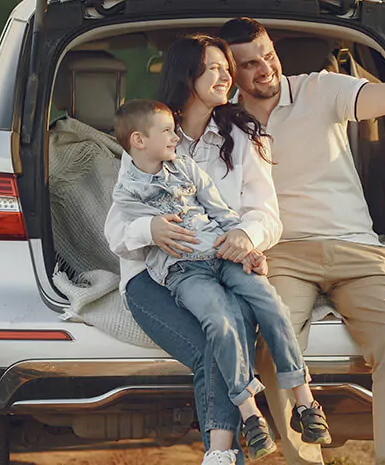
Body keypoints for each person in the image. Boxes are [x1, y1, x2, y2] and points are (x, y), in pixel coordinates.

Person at [220, 17, 385, 465]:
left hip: (357, 249)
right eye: (249, 65)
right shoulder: (222, 120)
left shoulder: (321, 89)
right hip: (279, 254)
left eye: (268, 56)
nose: (265, 69)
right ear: (230, 73)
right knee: (272, 343)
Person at [108, 99, 333, 460]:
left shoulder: (186, 166)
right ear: (138, 140)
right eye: (166, 131)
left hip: (223, 254)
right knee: (220, 321)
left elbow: (222, 212)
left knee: (270, 304)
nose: (173, 137)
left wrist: (247, 246)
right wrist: (148, 229)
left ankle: (305, 401)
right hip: (184, 271)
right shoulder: (127, 190)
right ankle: (249, 414)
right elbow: (119, 237)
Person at [104, 35, 280, 465]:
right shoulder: (152, 134)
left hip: (219, 265)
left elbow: (267, 214)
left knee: (227, 328)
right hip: (152, 276)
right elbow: (116, 229)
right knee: (214, 343)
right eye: (213, 68)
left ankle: (219, 457)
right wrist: (152, 229)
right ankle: (223, 454)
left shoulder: (243, 137)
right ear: (188, 75)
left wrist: (247, 238)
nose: (226, 76)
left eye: (226, 68)